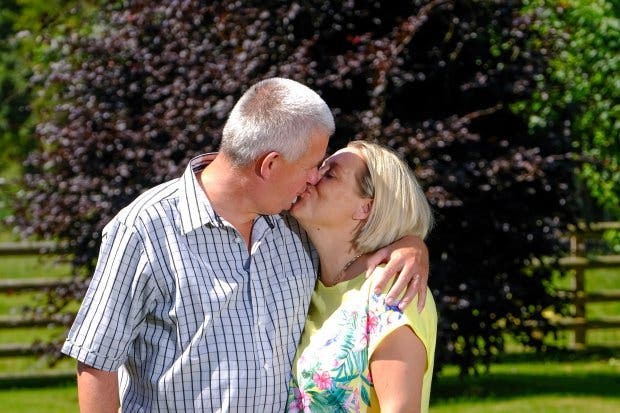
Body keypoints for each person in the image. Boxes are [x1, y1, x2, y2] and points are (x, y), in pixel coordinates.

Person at [61, 78, 430, 412]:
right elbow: (96, 360)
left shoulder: (294, 224)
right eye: (313, 165)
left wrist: (411, 245)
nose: (315, 178)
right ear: (270, 165)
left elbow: (357, 244)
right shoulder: (144, 229)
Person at [287, 140, 437, 413]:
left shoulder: (391, 289)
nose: (312, 176)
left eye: (329, 174)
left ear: (365, 208)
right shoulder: (303, 283)